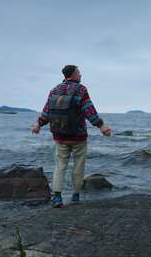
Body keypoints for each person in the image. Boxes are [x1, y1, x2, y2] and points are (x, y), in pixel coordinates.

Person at [32, 65, 112, 208]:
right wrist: (101, 126)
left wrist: (38, 125)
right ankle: (75, 196)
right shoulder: (81, 90)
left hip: (59, 136)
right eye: (79, 73)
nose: (81, 75)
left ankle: (57, 197)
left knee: (60, 165)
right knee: (78, 166)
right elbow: (89, 109)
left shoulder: (54, 90)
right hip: (78, 136)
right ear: (74, 74)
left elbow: (47, 111)